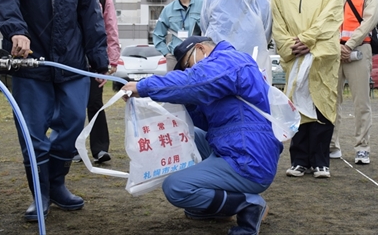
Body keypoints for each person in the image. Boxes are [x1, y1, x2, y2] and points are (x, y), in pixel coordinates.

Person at [0, 0, 109, 221]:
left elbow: (91, 14)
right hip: (30, 62)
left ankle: (57, 182)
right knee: (33, 131)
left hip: (71, 62)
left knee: (73, 122)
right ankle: (41, 194)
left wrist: (99, 59)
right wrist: (16, 29)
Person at [121, 36, 282, 235]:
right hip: (236, 145)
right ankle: (219, 208)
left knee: (176, 187)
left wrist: (143, 87)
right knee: (189, 136)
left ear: (201, 48)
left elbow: (194, 82)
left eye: (188, 64)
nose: (189, 70)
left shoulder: (229, 60)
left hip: (248, 158)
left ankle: (248, 205)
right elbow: (202, 120)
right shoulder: (225, 67)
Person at [271, 0, 343, 179]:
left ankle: (321, 160)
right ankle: (300, 159)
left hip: (321, 55)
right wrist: (291, 45)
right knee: (297, 106)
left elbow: (331, 16)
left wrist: (308, 40)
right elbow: (278, 24)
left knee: (323, 104)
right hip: (296, 56)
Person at [329, 0, 378, 165]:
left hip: (358, 50)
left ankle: (362, 147)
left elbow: (369, 21)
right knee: (332, 101)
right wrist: (334, 45)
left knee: (361, 102)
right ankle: (332, 145)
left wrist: (349, 45)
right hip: (334, 50)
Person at [201, 0, 272, 83]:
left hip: (248, 68)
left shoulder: (262, 2)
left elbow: (266, 35)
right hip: (217, 65)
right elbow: (204, 24)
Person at [84, 0, 120, 163]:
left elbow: (111, 29)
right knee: (70, 106)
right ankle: (69, 148)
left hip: (96, 61)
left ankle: (99, 148)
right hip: (72, 58)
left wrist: (111, 60)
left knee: (95, 103)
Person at [153, 0, 203, 71]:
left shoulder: (202, 5)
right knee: (173, 85)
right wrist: (166, 53)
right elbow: (158, 35)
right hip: (174, 55)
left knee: (195, 84)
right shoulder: (168, 9)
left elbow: (209, 29)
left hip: (196, 55)